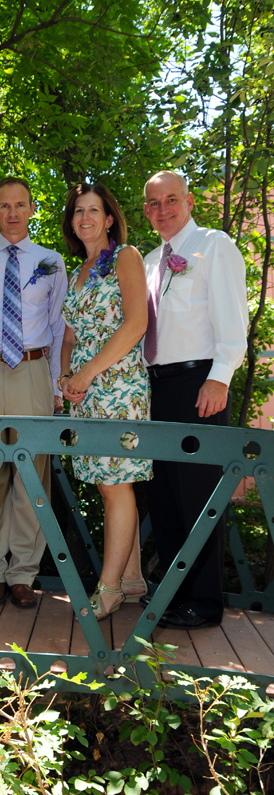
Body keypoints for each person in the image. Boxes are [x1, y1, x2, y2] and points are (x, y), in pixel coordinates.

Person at [142, 170, 248, 629]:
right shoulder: (148, 260)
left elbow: (232, 320)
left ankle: (204, 605)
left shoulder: (214, 245)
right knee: (163, 495)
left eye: (170, 200)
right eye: (152, 203)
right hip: (154, 387)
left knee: (199, 497)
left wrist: (220, 378)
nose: (162, 210)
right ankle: (173, 595)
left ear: (188, 201)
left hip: (198, 384)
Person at [0, 177, 67, 608]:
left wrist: (57, 381)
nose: (11, 213)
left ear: (31, 209)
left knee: (30, 473)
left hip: (33, 369)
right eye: (3, 205)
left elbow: (60, 324)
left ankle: (23, 573)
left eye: (19, 204)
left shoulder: (51, 260)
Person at [60, 183, 151, 619]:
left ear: (109, 218)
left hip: (118, 386)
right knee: (107, 484)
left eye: (93, 210)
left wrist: (89, 372)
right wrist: (65, 378)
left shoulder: (126, 257)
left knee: (116, 485)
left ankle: (110, 587)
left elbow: (136, 323)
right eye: (78, 211)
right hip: (83, 391)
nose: (85, 218)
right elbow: (71, 335)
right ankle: (132, 575)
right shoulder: (78, 271)